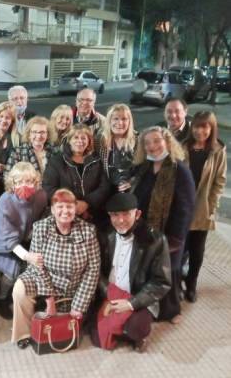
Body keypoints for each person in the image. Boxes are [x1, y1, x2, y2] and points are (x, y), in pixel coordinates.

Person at [12, 188, 100, 349]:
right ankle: (23, 334)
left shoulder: (88, 231)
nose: (65, 211)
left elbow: (93, 270)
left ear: (76, 208)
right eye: (60, 207)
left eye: (69, 207)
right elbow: (37, 265)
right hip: (44, 279)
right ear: (52, 210)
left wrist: (79, 305)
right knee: (19, 289)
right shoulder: (40, 227)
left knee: (69, 324)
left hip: (73, 285)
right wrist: (49, 297)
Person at [91, 193, 171, 353]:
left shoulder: (155, 240)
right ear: (109, 216)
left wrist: (131, 303)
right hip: (110, 294)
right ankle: (120, 327)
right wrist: (108, 293)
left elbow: (161, 282)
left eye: (126, 214)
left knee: (136, 329)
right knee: (94, 335)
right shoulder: (103, 235)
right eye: (115, 215)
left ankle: (135, 333)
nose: (121, 220)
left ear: (137, 214)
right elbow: (96, 270)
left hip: (137, 297)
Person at [132, 126, 195, 323]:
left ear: (167, 141)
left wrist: (176, 237)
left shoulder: (179, 169)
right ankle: (149, 307)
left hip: (170, 232)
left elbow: (186, 207)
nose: (153, 146)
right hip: (144, 229)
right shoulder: (143, 168)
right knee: (149, 269)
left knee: (170, 271)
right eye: (147, 143)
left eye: (156, 141)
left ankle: (172, 310)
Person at [0, 162, 47, 319]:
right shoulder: (5, 201)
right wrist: (27, 256)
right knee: (11, 270)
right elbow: (8, 238)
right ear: (12, 183)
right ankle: (1, 298)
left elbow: (42, 218)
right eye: (19, 182)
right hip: (3, 239)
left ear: (35, 182)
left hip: (27, 235)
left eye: (28, 181)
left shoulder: (41, 196)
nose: (24, 185)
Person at [182, 111, 226, 302]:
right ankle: (175, 282)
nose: (200, 131)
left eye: (205, 126)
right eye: (197, 126)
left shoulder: (217, 150)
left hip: (202, 208)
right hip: (181, 207)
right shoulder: (183, 147)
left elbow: (220, 181)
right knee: (179, 248)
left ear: (212, 128)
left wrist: (211, 206)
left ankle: (191, 285)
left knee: (197, 250)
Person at [43, 124, 110, 223]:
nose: (80, 141)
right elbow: (49, 187)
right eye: (76, 137)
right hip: (64, 211)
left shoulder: (96, 160)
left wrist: (87, 203)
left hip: (93, 211)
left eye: (83, 138)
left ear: (89, 141)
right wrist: (72, 204)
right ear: (69, 140)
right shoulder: (56, 161)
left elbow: (104, 186)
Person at [97, 104, 137, 192]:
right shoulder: (99, 140)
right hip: (105, 189)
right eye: (116, 119)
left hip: (132, 189)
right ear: (109, 121)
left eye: (124, 119)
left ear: (129, 121)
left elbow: (144, 167)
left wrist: (133, 181)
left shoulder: (137, 139)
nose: (120, 123)